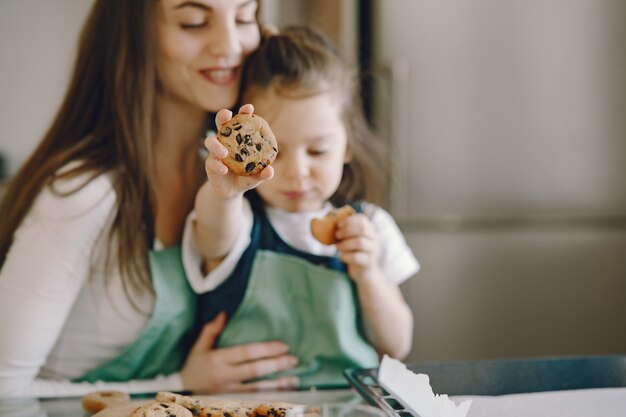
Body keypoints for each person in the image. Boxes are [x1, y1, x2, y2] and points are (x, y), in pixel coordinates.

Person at [0, 0, 299, 398]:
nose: (231, 44)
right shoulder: (84, 195)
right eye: (194, 22)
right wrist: (179, 385)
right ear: (133, 37)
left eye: (244, 17)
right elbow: (4, 388)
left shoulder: (217, 177)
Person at [188, 26, 420, 388]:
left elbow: (397, 344)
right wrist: (225, 193)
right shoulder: (241, 218)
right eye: (278, 152)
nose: (297, 172)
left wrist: (368, 273)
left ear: (346, 146)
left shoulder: (371, 226)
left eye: (318, 151)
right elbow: (212, 240)